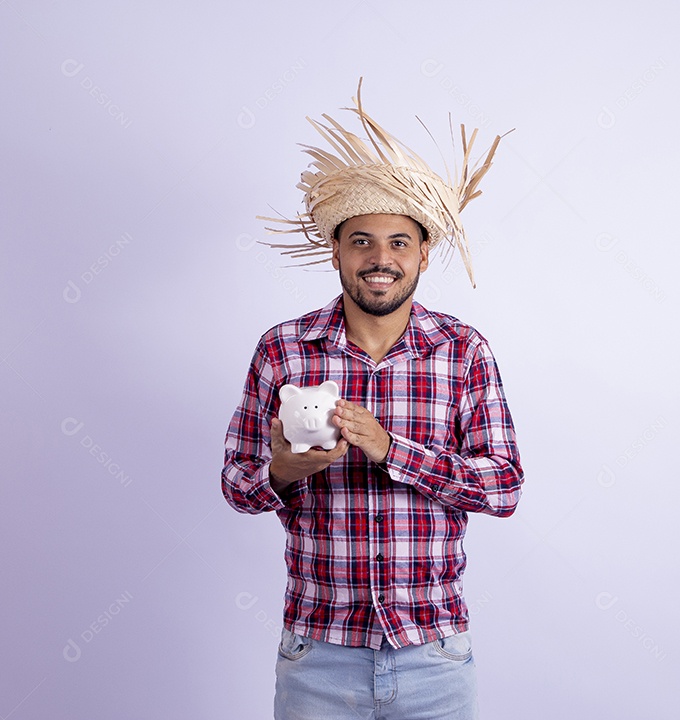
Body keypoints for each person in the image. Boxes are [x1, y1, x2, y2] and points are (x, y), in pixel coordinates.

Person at [222, 82, 523, 720]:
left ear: (422, 253)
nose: (379, 259)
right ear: (336, 248)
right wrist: (284, 471)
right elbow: (235, 485)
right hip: (319, 652)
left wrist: (394, 450)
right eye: (361, 241)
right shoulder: (284, 350)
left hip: (433, 651)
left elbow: (503, 489)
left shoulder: (462, 351)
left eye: (397, 243)